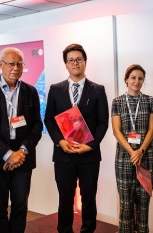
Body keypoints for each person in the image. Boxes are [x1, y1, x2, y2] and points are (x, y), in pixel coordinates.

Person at [0, 47, 43, 233]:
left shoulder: (31, 91)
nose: (15, 68)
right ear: (0, 65)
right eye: (11, 64)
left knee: (20, 206)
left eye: (20, 64)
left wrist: (21, 152)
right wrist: (7, 154)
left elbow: (37, 126)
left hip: (22, 157)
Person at [44, 43, 109, 233]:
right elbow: (49, 120)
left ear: (85, 62)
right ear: (66, 64)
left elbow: (102, 122)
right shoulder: (56, 89)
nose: (75, 63)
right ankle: (64, 230)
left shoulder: (98, 90)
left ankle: (88, 230)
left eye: (79, 59)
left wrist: (91, 145)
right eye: (71, 60)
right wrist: (60, 141)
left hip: (89, 155)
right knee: (65, 198)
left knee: (89, 198)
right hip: (64, 154)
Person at [111, 64, 153, 233]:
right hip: (125, 157)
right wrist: (132, 152)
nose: (137, 81)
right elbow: (116, 131)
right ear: (126, 80)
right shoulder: (117, 102)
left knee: (143, 202)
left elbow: (151, 129)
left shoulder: (150, 101)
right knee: (126, 202)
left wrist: (140, 151)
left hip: (146, 157)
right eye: (133, 78)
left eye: (140, 78)